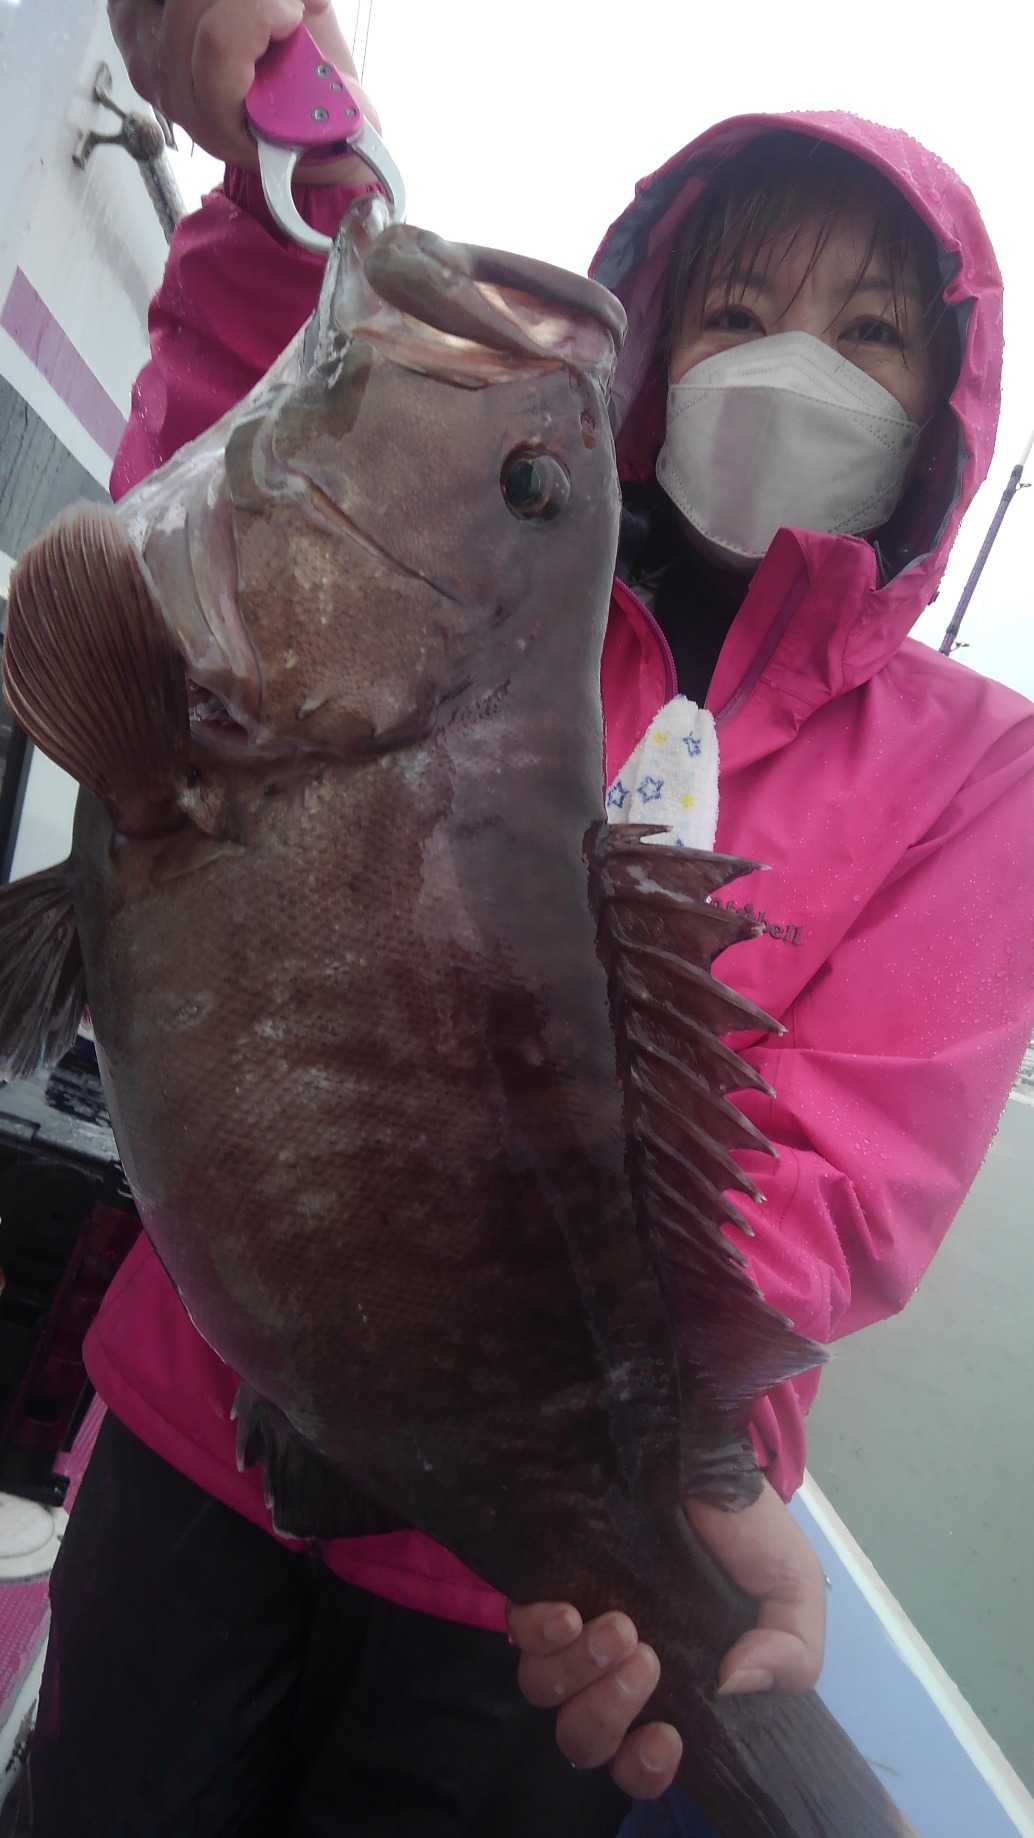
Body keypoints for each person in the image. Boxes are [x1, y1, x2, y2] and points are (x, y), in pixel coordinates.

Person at [9, 2, 1033, 1832]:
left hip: (538, 1598)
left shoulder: (982, 766)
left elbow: (844, 1172)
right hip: (201, 1415)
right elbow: (233, 469)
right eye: (734, 308)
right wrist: (275, 189)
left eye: (869, 332)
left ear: (942, 405)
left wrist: (662, 1450)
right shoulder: (488, 565)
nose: (791, 364)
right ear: (658, 348)